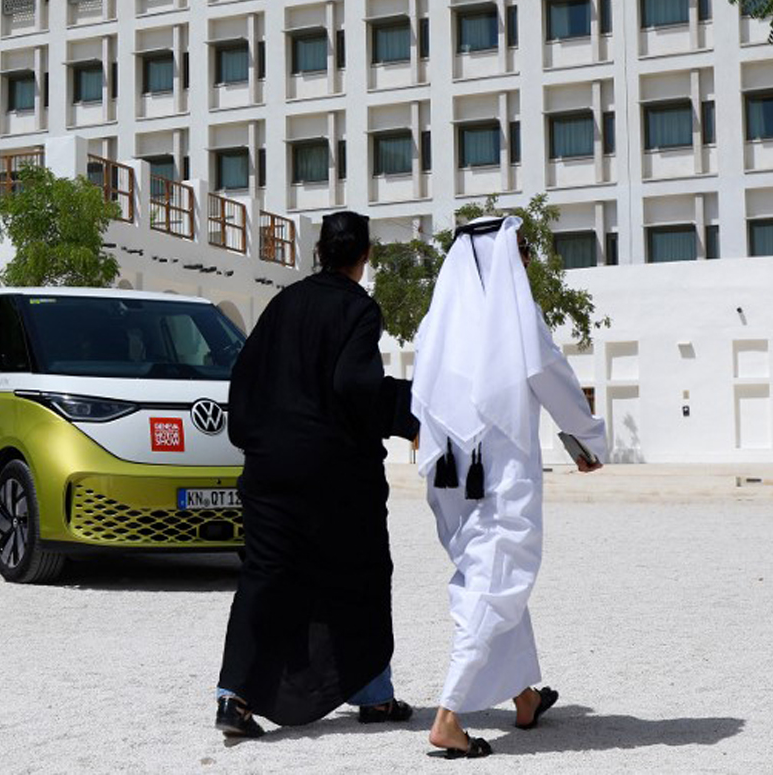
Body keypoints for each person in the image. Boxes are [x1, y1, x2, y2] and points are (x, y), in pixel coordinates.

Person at [215, 211, 420, 738]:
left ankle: (233, 699)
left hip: (269, 469)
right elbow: (355, 385)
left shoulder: (282, 303)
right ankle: (374, 699)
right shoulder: (358, 309)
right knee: (362, 574)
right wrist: (410, 409)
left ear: (319, 252)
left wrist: (256, 440)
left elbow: (245, 377)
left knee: (264, 576)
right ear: (365, 256)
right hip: (333, 475)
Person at [411, 217, 607, 759]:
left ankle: (523, 698)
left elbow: (421, 391)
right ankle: (448, 717)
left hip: (448, 473)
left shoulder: (439, 319)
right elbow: (549, 373)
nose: (525, 259)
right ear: (500, 254)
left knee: (490, 571)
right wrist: (588, 439)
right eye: (520, 248)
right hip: (500, 468)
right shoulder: (514, 313)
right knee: (499, 578)